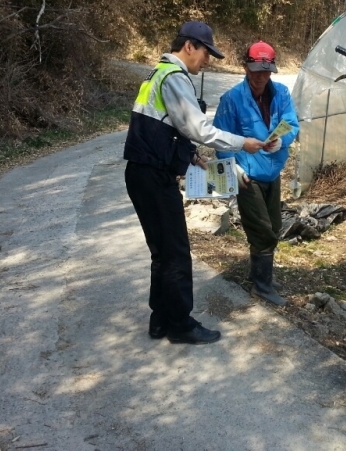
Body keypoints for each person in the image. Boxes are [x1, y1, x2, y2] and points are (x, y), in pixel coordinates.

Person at [123, 22, 272, 345]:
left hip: (141, 174)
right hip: (153, 177)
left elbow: (162, 128)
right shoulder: (175, 77)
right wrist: (242, 142)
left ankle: (160, 318)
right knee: (176, 252)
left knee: (161, 251)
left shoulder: (157, 74)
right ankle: (180, 324)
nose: (207, 61)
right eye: (206, 53)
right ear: (189, 46)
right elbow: (199, 129)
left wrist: (192, 157)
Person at [213, 40, 299, 306]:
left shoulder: (281, 94)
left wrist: (282, 141)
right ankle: (261, 287)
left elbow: (292, 124)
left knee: (273, 225)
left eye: (266, 71)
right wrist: (234, 169)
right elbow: (220, 139)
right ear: (245, 68)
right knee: (262, 230)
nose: (260, 77)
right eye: (255, 70)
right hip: (247, 176)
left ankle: (261, 274)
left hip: (273, 172)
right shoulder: (231, 100)